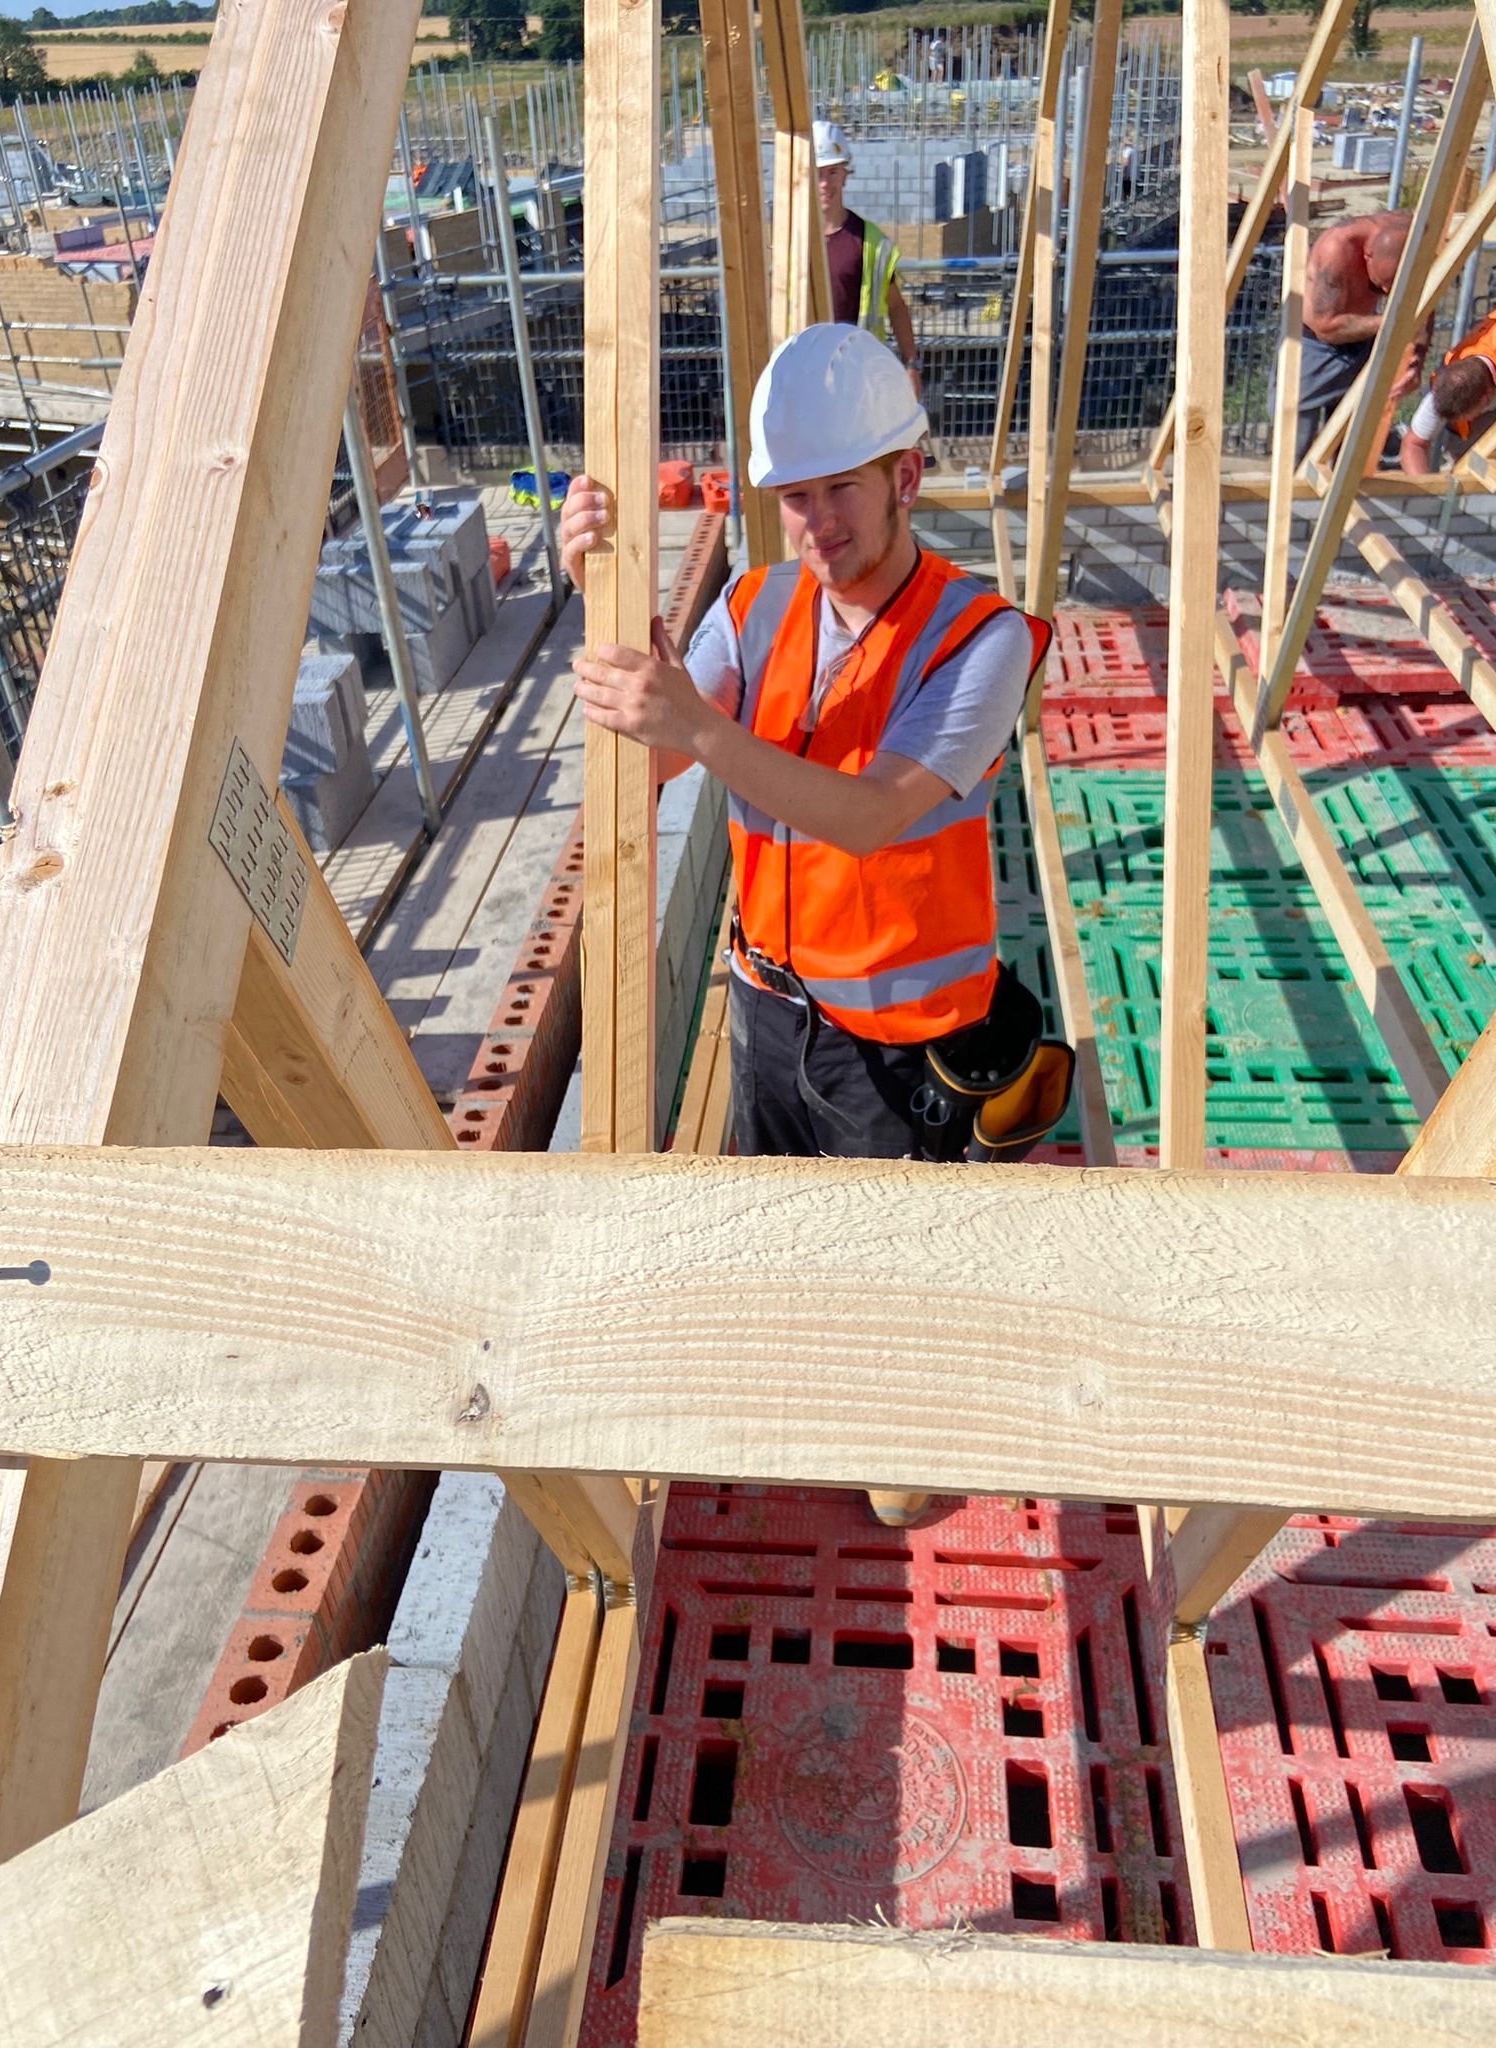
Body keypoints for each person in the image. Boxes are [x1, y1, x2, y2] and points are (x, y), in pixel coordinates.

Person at [561, 325, 1056, 1526]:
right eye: (795, 496)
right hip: (770, 1006)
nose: (817, 522)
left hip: (897, 1046)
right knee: (781, 1223)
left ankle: (912, 1410)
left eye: (842, 488)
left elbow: (872, 816)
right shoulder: (757, 604)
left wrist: (701, 727)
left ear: (906, 476)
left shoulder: (979, 639)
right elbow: (661, 760)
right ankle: (817, 1382)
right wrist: (602, 595)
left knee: (896, 1430)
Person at [1288, 210, 1427, 462]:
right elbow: (1325, 327)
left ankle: (1341, 485)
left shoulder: (1417, 238)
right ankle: (1292, 485)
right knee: (1295, 442)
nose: (1386, 290)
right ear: (1367, 255)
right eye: (1380, 283)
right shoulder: (1337, 250)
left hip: (1363, 338)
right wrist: (1393, 323)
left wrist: (1417, 358)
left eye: (1394, 285)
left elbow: (1425, 301)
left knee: (1351, 446)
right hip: (1313, 345)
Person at [813, 121, 922, 398]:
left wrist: (911, 364)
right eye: (817, 173)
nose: (825, 183)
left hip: (858, 379)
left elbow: (895, 306)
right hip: (807, 377)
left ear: (845, 175)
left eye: (833, 172)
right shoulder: (794, 240)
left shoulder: (869, 241)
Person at [1399, 297, 1496, 475]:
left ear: (1486, 397)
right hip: (1495, 393)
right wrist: (1424, 490)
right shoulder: (1443, 393)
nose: (1455, 421)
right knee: (1467, 465)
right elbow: (1413, 444)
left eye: (1462, 416)